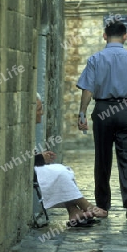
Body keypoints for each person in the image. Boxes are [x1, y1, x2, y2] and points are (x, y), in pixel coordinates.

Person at [76, 20, 127, 220]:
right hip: (126, 110)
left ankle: (103, 205)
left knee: (102, 159)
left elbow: (88, 89)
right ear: (125, 36)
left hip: (103, 111)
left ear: (104, 36)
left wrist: (82, 112)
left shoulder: (96, 59)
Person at [34, 94, 108, 227]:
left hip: (33, 167)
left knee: (65, 170)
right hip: (30, 169)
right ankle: (86, 205)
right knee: (61, 173)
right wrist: (39, 158)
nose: (42, 112)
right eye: (39, 109)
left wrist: (40, 156)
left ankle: (74, 211)